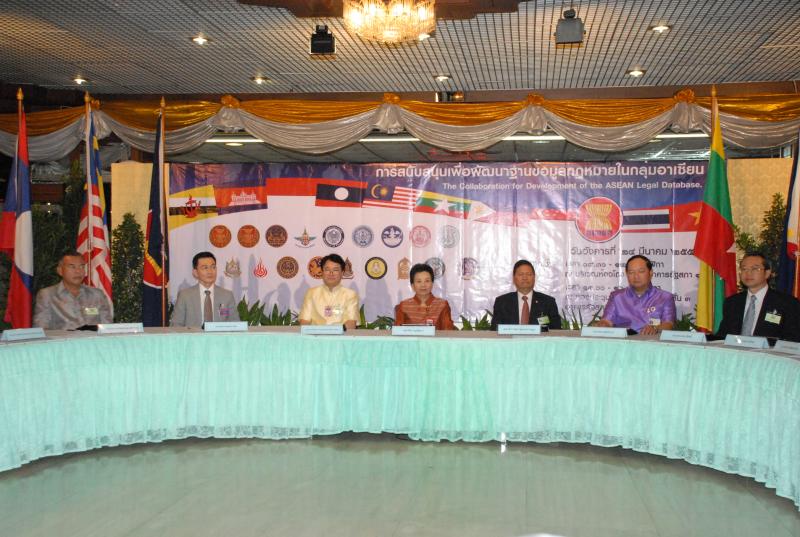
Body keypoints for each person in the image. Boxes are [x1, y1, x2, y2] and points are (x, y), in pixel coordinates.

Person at [714, 252, 800, 342]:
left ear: (767, 273)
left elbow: (793, 339)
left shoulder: (787, 303)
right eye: (744, 269)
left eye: (755, 268)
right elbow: (722, 336)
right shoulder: (732, 302)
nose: (748, 273)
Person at [594, 254, 675, 335]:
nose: (636, 276)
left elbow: (668, 324)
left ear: (650, 273)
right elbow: (607, 320)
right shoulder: (616, 297)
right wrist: (603, 324)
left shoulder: (665, 297)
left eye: (641, 271)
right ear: (627, 274)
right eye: (631, 272)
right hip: (623, 341)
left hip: (652, 340)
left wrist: (655, 328)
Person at [33, 250, 113, 329]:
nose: (78, 271)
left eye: (81, 266)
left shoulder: (97, 295)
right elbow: (41, 329)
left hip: (93, 337)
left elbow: (107, 328)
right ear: (60, 271)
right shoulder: (47, 295)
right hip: (63, 338)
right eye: (72, 267)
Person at [171, 251, 240, 327]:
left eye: (213, 267)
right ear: (195, 272)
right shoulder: (185, 296)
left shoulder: (227, 295)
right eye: (205, 268)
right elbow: (176, 324)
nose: (210, 271)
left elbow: (235, 324)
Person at [491, 259, 562, 331]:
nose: (525, 278)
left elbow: (556, 331)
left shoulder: (548, 302)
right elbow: (495, 331)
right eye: (521, 274)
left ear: (534, 278)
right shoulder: (502, 302)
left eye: (529, 274)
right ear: (514, 278)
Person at [298, 253, 359, 329]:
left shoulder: (350, 294)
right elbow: (304, 321)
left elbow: (351, 323)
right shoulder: (311, 293)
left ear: (342, 273)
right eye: (327, 269)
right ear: (322, 272)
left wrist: (332, 331)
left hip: (341, 335)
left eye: (335, 270)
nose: (331, 273)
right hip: (316, 335)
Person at [394, 263, 455, 329]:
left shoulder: (442, 305)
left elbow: (448, 331)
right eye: (419, 281)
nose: (423, 285)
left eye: (427, 281)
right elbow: (398, 331)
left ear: (432, 284)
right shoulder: (404, 306)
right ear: (412, 285)